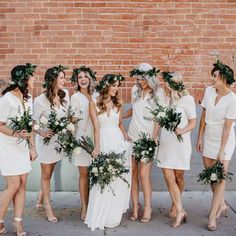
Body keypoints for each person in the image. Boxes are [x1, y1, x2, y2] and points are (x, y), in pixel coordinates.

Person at [85, 74, 131, 231]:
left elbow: (119, 124)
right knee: (103, 177)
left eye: (118, 86)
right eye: (114, 85)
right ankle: (101, 214)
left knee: (117, 178)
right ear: (106, 86)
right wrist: (97, 147)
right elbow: (96, 127)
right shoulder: (94, 103)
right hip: (103, 141)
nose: (116, 88)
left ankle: (113, 214)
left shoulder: (118, 102)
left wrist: (125, 135)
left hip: (117, 142)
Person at [196, 60, 236, 231]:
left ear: (223, 78)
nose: (212, 79)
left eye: (215, 76)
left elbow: (227, 127)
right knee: (210, 176)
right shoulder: (209, 92)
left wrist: (222, 151)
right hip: (209, 137)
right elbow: (204, 116)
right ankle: (221, 204)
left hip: (224, 141)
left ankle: (213, 216)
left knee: (219, 177)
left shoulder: (233, 99)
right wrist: (199, 138)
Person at [0, 63, 37, 236]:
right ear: (23, 79)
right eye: (31, 77)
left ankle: (18, 223)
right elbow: (0, 125)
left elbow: (30, 126)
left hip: (23, 147)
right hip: (8, 146)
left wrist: (32, 147)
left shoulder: (28, 99)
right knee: (13, 185)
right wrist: (16, 134)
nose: (34, 79)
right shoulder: (6, 99)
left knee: (23, 184)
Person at [156, 71, 196, 228]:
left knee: (178, 176)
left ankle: (175, 204)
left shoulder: (187, 99)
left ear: (177, 83)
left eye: (169, 83)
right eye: (165, 82)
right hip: (166, 142)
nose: (166, 85)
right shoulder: (164, 99)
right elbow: (159, 119)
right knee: (168, 175)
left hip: (180, 143)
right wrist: (155, 136)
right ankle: (180, 210)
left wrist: (182, 130)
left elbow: (193, 122)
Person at [125, 63, 162, 223]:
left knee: (143, 175)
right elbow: (133, 110)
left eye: (143, 79)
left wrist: (154, 137)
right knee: (132, 173)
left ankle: (148, 207)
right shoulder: (135, 91)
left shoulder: (157, 94)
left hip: (148, 139)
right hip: (132, 136)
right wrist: (115, 117)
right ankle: (135, 206)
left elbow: (159, 118)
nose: (140, 82)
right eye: (138, 79)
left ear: (150, 77)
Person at [33, 65, 70, 223]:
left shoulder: (65, 94)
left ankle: (42, 194)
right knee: (46, 174)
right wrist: (41, 132)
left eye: (64, 77)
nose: (64, 80)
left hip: (58, 141)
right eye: (61, 78)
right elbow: (32, 123)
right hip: (46, 141)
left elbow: (67, 116)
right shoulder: (39, 100)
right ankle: (48, 206)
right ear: (53, 80)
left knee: (51, 169)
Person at [70, 66, 97, 220]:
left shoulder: (96, 95)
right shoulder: (76, 97)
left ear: (90, 78)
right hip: (82, 139)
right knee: (84, 174)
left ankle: (95, 204)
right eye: (80, 77)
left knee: (96, 173)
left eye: (85, 77)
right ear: (77, 81)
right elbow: (72, 120)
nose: (83, 80)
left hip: (97, 138)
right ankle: (84, 206)